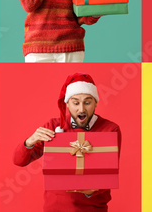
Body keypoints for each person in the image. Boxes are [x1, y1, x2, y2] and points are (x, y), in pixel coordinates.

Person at [13, 73, 121, 211]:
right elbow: (18, 160)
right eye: (76, 103)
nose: (81, 109)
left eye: (87, 102)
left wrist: (91, 190)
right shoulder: (54, 126)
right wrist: (30, 140)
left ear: (96, 102)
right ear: (67, 104)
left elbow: (109, 175)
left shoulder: (110, 129)